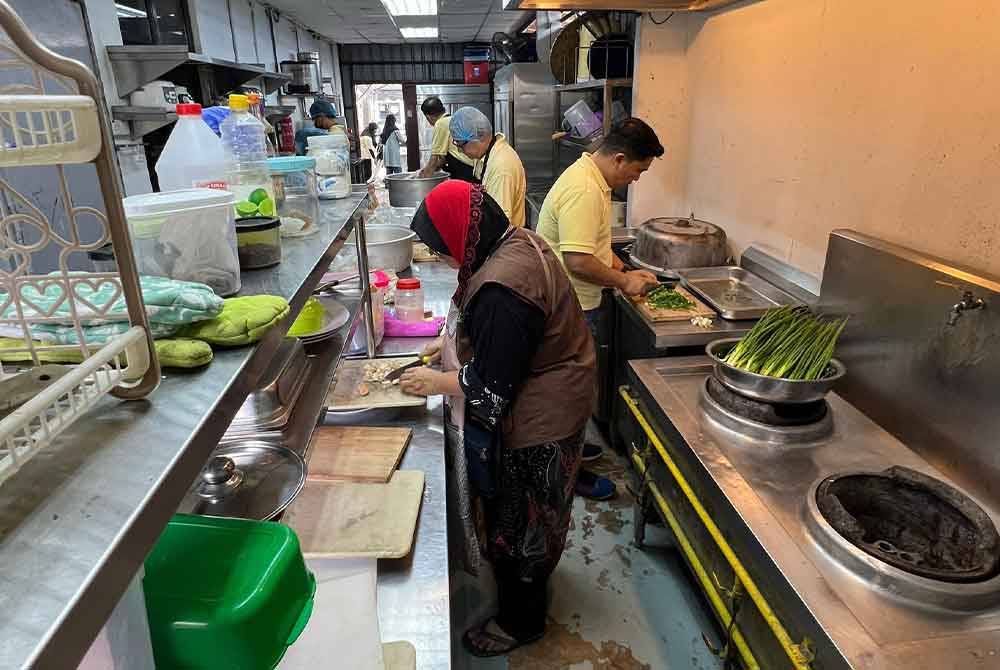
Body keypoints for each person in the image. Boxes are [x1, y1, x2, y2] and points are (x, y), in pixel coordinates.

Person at [400, 180, 595, 657]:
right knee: (537, 518)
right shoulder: (511, 241)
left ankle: (521, 623)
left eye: (440, 248)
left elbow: (490, 388)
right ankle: (529, 587)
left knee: (522, 524)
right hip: (561, 392)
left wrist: (435, 383)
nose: (441, 257)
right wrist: (448, 344)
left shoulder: (503, 289)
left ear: (463, 235)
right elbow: (499, 344)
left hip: (541, 419)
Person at [537, 118, 664, 500]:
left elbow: (590, 244)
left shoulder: (589, 177)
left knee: (572, 393)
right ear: (620, 159)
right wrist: (624, 283)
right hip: (568, 308)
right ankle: (565, 473)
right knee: (567, 395)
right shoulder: (586, 190)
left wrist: (622, 268)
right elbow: (577, 260)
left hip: (571, 303)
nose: (636, 179)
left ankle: (571, 450)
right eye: (638, 171)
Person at [449, 106, 527, 229]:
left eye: (461, 144)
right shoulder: (485, 154)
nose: (459, 150)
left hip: (506, 238)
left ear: (477, 138)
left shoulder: (501, 168)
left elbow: (500, 224)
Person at [417, 95, 477, 182]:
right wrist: (426, 170)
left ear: (428, 117)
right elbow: (442, 160)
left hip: (465, 170)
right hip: (474, 169)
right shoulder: (452, 119)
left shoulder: (441, 124)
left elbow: (434, 160)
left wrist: (422, 180)